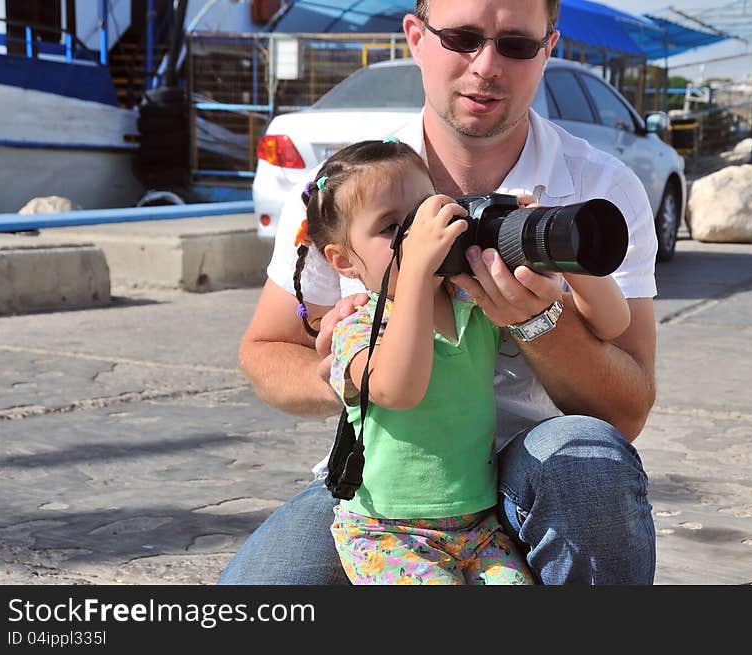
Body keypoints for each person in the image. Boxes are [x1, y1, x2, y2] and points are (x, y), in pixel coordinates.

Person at [221, 0, 658, 585]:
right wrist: (350, 373)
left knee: (588, 462)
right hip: (392, 478)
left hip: (542, 462)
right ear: (415, 38)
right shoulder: (356, 191)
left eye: (516, 45)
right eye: (462, 38)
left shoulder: (599, 189)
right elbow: (266, 348)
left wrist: (542, 323)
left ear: (548, 49)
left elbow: (627, 410)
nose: (487, 66)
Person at [291, 138, 631, 585]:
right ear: (342, 261)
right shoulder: (360, 324)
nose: (417, 239)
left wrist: (550, 248)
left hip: (478, 528)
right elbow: (397, 388)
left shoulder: (471, 303)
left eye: (424, 215)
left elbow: (612, 323)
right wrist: (413, 271)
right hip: (389, 533)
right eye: (393, 229)